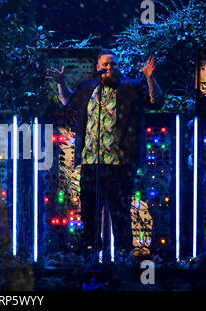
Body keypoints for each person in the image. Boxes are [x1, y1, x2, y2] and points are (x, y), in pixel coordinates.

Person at [46, 50, 163, 260]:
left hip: (120, 162)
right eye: (105, 65)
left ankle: (123, 254)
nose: (109, 68)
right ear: (98, 68)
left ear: (118, 67)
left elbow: (155, 101)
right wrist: (61, 82)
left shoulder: (130, 86)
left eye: (113, 65)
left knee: (120, 210)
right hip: (91, 161)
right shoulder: (88, 86)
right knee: (89, 210)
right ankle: (90, 251)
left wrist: (149, 77)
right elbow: (67, 102)